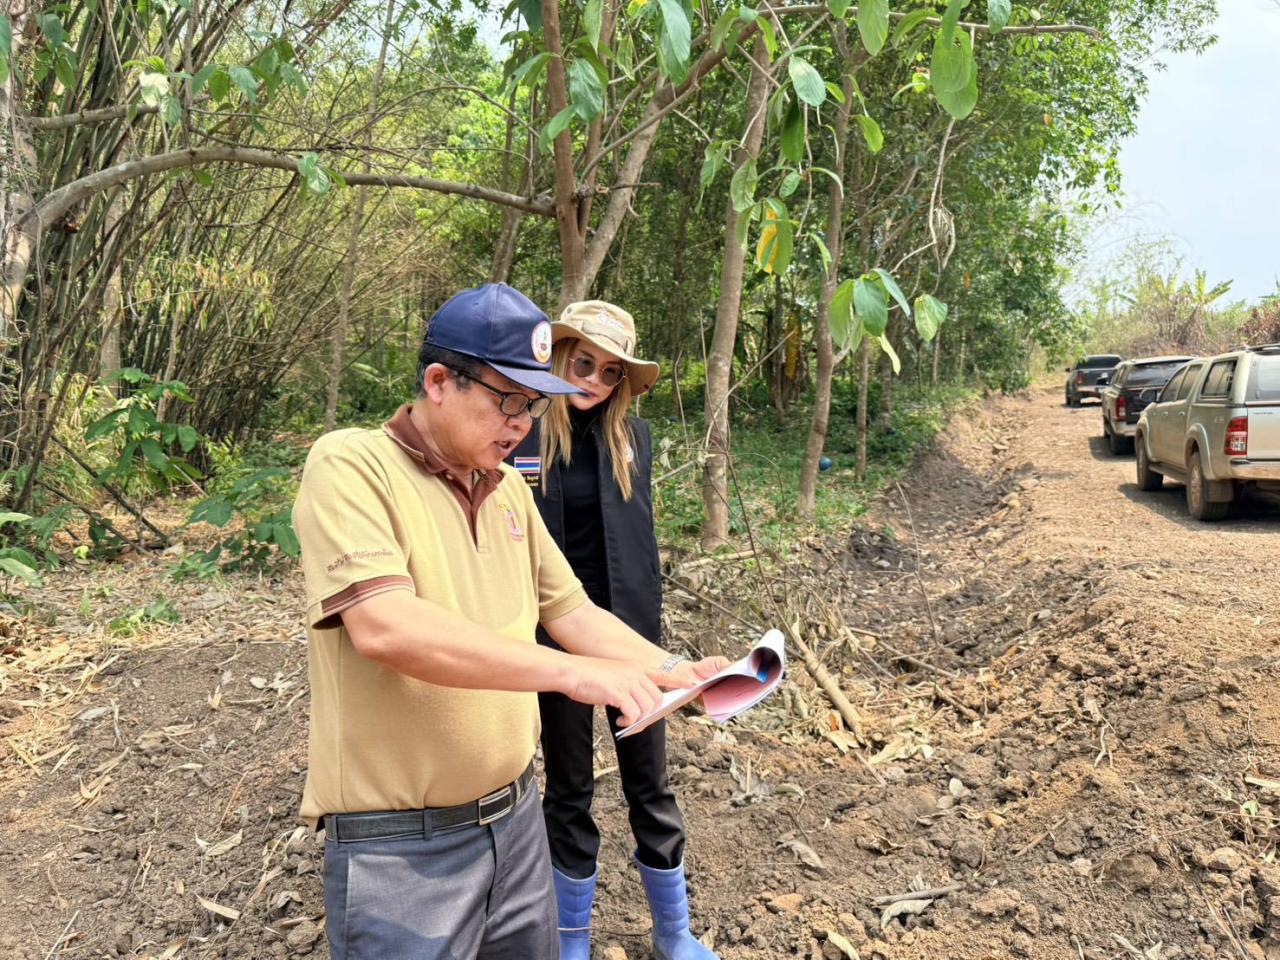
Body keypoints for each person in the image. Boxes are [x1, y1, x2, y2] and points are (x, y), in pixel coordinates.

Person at [291, 283, 726, 960]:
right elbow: (386, 627)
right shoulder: (353, 465)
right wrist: (574, 674)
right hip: (404, 849)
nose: (521, 422)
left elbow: (573, 609)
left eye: (531, 403)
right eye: (508, 401)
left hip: (517, 825)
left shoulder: (508, 492)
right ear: (439, 381)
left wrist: (674, 671)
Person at [507, 300, 724, 960]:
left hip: (628, 634)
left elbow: (638, 538)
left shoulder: (635, 440)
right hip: (554, 639)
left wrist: (658, 654)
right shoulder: (519, 438)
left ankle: (674, 934)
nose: (594, 380)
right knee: (569, 788)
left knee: (648, 782)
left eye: (610, 371)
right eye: (582, 363)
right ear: (558, 356)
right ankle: (571, 939)